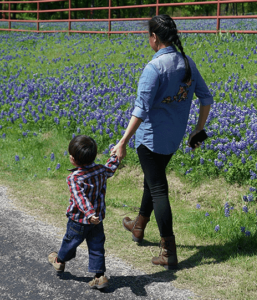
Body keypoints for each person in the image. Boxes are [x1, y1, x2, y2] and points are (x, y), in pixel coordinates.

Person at [111, 14, 214, 270]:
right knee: (152, 180)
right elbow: (206, 98)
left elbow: (140, 109)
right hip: (173, 138)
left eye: (149, 36)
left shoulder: (154, 68)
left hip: (150, 140)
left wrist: (123, 141)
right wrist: (197, 130)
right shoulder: (186, 62)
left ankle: (168, 250)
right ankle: (138, 226)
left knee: (158, 188)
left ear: (154, 38)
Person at [48, 135, 119, 289]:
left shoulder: (74, 178)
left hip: (78, 220)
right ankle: (99, 277)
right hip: (97, 220)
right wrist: (115, 156)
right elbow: (111, 168)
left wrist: (89, 213)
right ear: (95, 155)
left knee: (70, 242)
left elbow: (80, 198)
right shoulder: (101, 169)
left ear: (72, 159)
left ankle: (59, 262)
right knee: (97, 247)